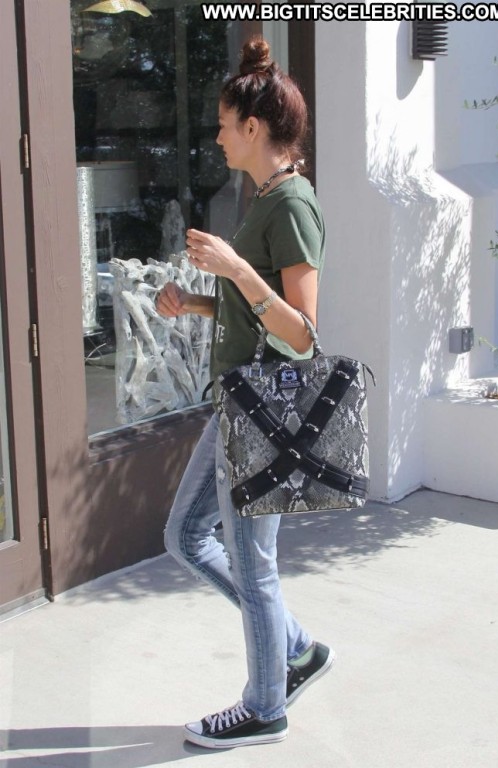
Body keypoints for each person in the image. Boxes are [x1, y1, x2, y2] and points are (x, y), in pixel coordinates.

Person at [157, 36, 335, 750]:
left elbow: (303, 335)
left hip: (263, 411)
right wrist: (197, 303)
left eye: (225, 125)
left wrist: (233, 267)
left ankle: (265, 706)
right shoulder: (263, 198)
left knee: (253, 563)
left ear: (254, 127)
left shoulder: (291, 205)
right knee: (184, 536)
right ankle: (296, 648)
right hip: (236, 403)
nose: (219, 137)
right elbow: (253, 315)